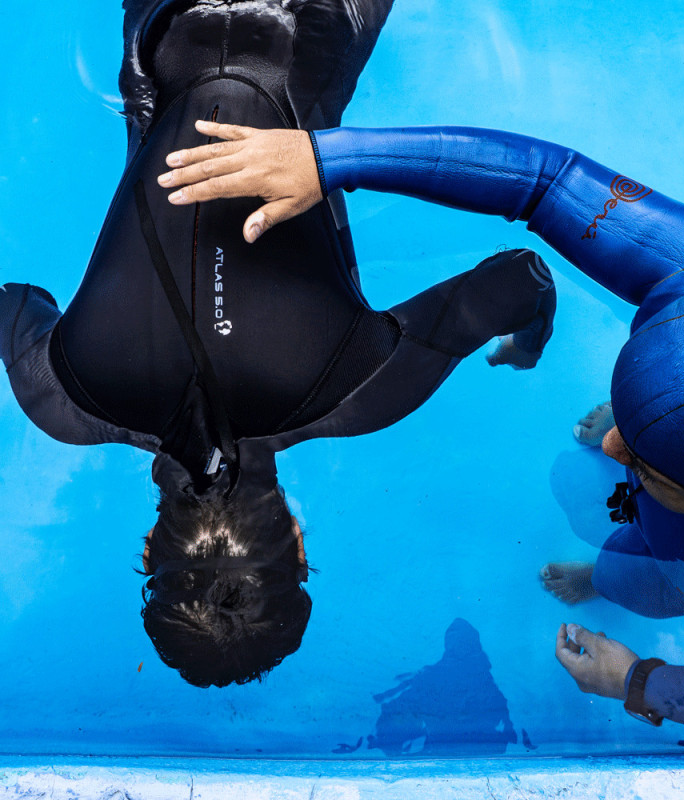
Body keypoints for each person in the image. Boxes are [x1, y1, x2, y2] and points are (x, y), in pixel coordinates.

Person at [158, 122, 684, 740]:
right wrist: (328, 158)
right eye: (630, 421)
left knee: (632, 580)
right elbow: (545, 181)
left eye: (642, 457)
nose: (612, 448)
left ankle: (625, 540)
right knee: (647, 459)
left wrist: (637, 682)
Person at [0, 3, 557, 688]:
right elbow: (16, 300)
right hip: (165, 31)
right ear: (150, 549)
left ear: (296, 541)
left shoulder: (362, 392)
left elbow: (519, 279)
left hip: (308, 31)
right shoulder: (63, 398)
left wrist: (528, 339)